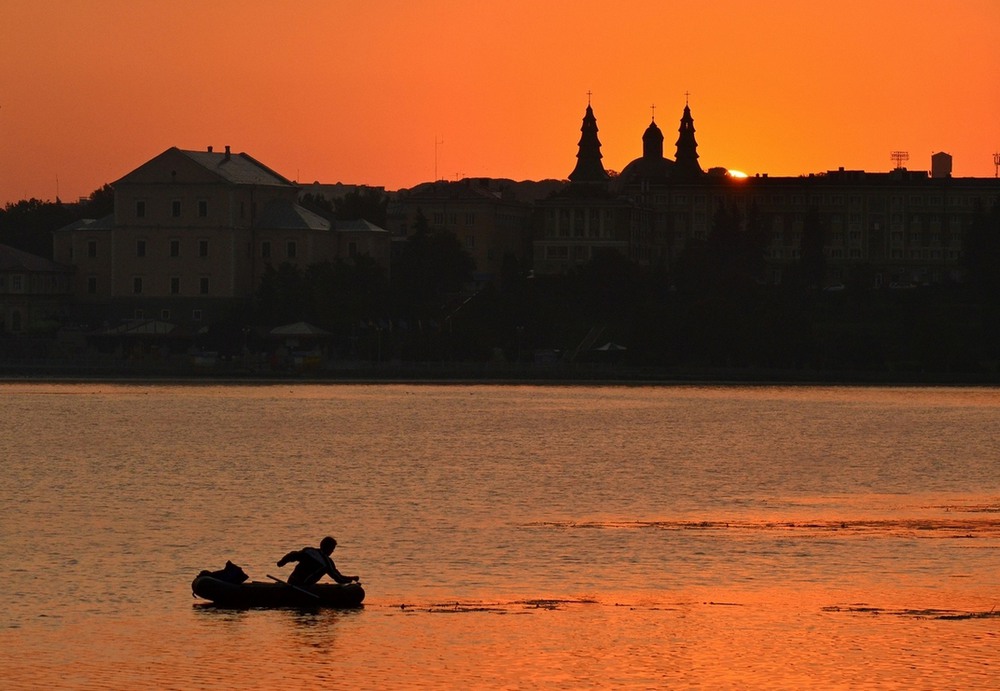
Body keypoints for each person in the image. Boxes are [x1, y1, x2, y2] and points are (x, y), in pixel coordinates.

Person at [276, 536, 360, 586]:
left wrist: (282, 562)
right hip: (303, 586)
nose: (332, 552)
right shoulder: (327, 562)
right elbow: (338, 578)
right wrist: (351, 580)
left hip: (291, 581)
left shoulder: (308, 551)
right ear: (329, 549)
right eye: (332, 549)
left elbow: (292, 555)